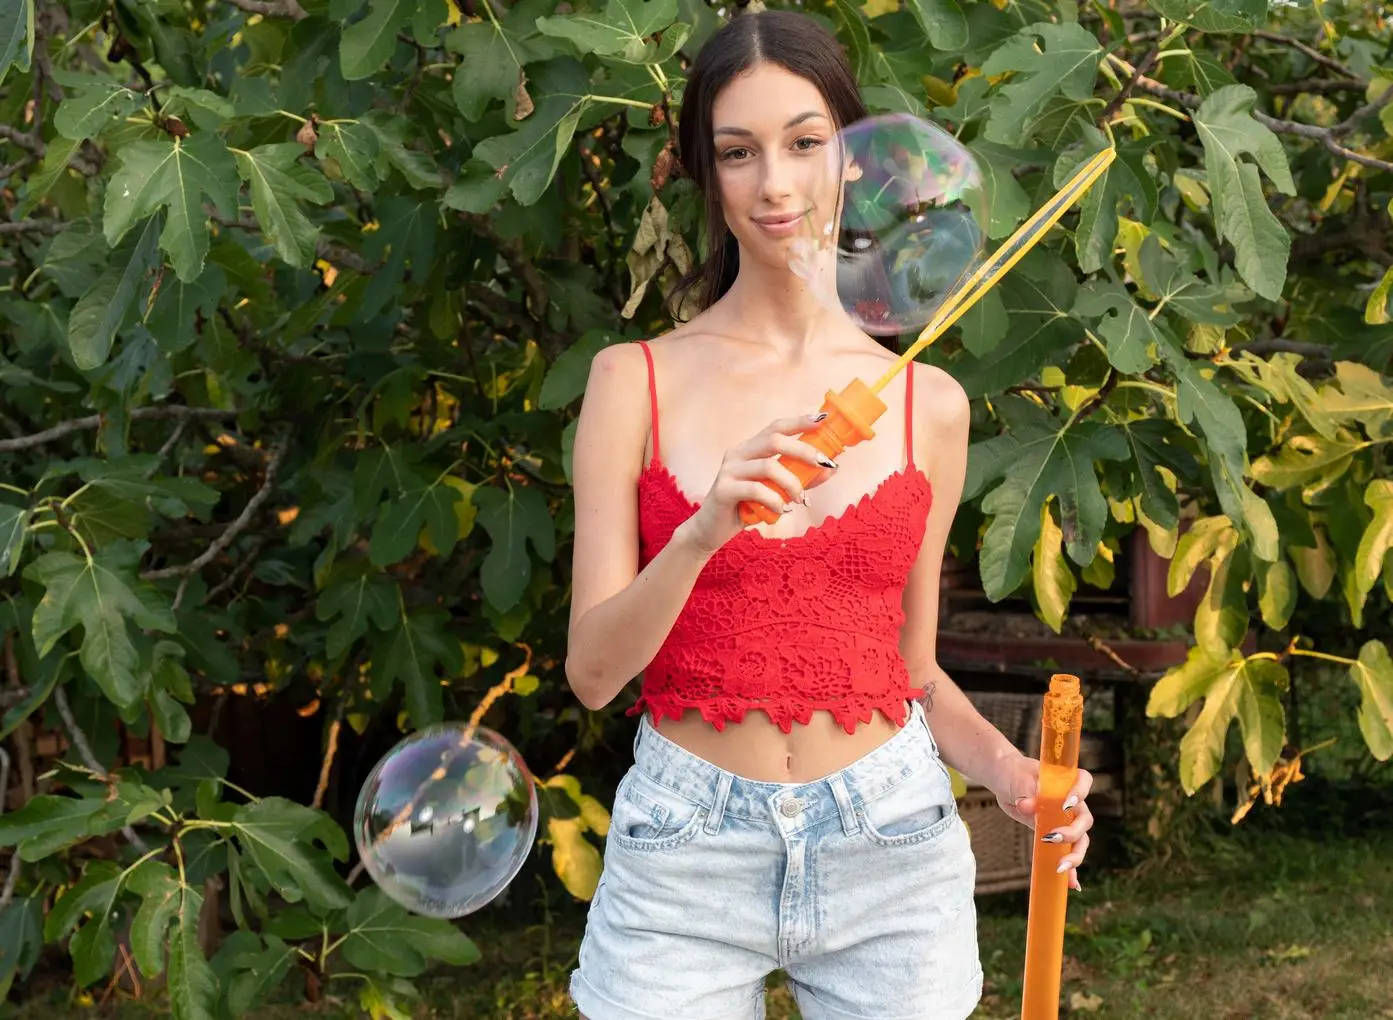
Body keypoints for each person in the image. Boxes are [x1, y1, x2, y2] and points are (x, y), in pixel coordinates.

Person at [564, 9, 1094, 1019]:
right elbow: (593, 675)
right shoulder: (632, 382)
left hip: (890, 843)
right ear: (705, 175)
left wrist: (1015, 774)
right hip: (683, 856)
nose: (773, 182)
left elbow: (911, 673)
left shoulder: (925, 404)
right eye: (737, 151)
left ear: (850, 160)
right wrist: (703, 529)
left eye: (804, 143)